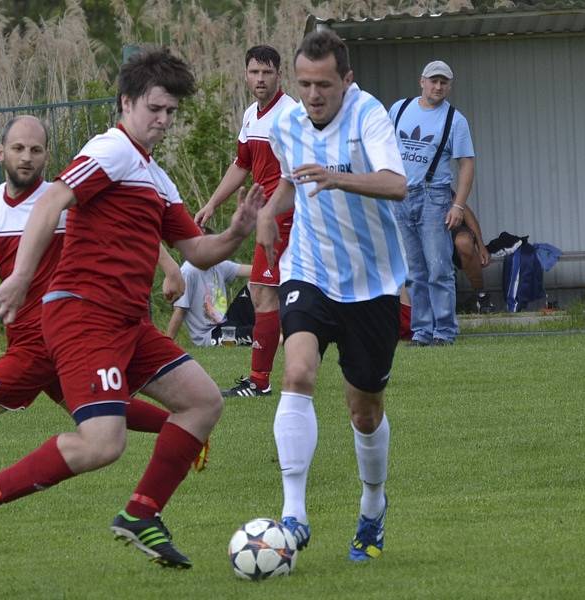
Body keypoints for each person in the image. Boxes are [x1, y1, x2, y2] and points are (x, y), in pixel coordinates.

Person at [0, 48, 263, 569]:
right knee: (102, 443)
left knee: (204, 401)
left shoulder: (155, 177)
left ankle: (141, 513)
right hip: (85, 314)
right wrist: (21, 276)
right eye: (154, 109)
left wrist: (237, 233)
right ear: (127, 102)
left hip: (129, 321)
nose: (162, 121)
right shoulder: (110, 149)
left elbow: (198, 251)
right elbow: (50, 202)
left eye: (170, 113)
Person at [0, 115, 185, 551]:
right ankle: (182, 432)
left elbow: (132, 230)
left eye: (35, 150)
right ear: (1, 153)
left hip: (45, 341)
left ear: (47, 156)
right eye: (18, 149)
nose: (26, 157)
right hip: (38, 340)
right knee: (102, 415)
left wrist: (169, 268)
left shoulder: (62, 201)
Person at [257, 31, 407, 562]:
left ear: (347, 80)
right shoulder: (286, 122)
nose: (313, 94)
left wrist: (339, 180)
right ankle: (293, 515)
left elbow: (396, 183)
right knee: (296, 373)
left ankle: (372, 506)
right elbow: (290, 179)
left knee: (364, 411)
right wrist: (266, 214)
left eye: (324, 84)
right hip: (310, 269)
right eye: (304, 85)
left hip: (372, 283)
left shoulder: (370, 115)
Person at [194, 45, 298, 397]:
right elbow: (241, 165)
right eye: (254, 72)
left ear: (279, 75)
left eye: (267, 72)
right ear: (245, 74)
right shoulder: (251, 115)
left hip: (284, 216)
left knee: (264, 294)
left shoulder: (290, 115)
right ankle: (264, 377)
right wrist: (212, 203)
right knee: (266, 293)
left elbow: (300, 173)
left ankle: (259, 381)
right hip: (267, 218)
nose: (260, 79)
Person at [389, 60, 475, 346]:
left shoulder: (455, 120)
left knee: (439, 268)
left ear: (449, 86)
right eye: (433, 81)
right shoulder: (399, 109)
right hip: (401, 196)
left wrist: (458, 206)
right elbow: (383, 149)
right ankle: (422, 331)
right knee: (414, 271)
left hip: (434, 197)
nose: (438, 87)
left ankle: (444, 331)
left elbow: (466, 165)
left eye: (444, 82)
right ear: (421, 81)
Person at [166, 254, 252, 347]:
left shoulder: (218, 264)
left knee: (256, 283)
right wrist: (167, 344)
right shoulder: (188, 272)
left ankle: (265, 322)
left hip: (227, 323)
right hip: (209, 336)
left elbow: (255, 271)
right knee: (256, 334)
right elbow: (179, 312)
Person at [452, 205, 495, 313]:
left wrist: (481, 246)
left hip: (450, 230)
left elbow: (465, 212)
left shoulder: (442, 191)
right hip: (427, 233)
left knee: (464, 241)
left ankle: (481, 296)